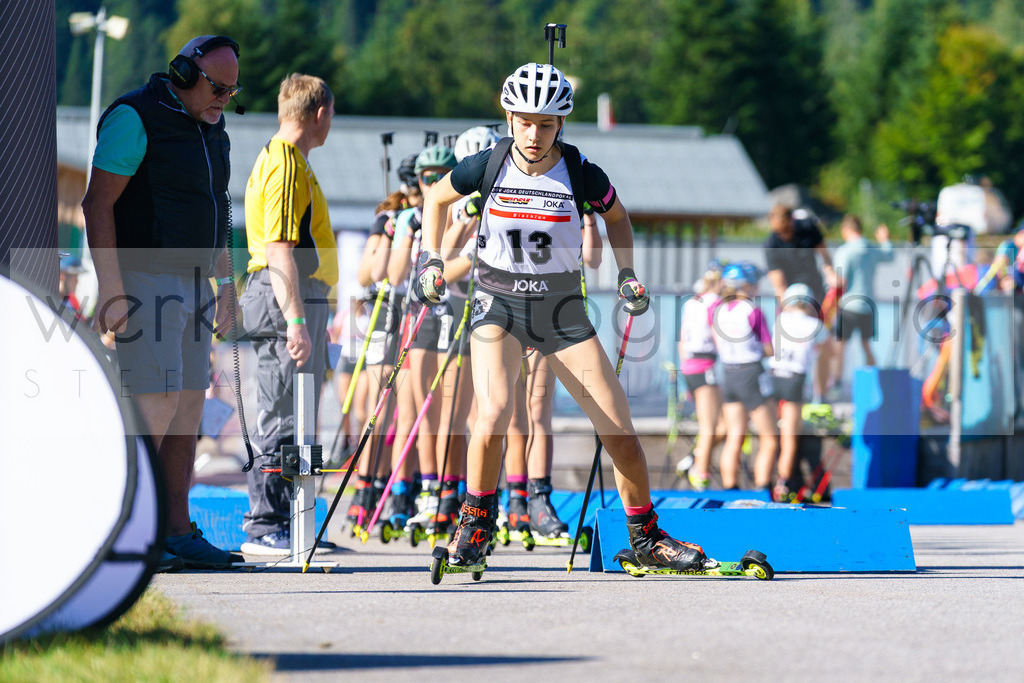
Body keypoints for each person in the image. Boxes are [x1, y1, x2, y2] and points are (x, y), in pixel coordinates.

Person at [413, 62, 712, 572]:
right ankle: (476, 522)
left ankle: (646, 537)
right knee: (494, 412)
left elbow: (618, 218)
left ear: (561, 125)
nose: (534, 134)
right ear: (508, 117)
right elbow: (436, 199)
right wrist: (433, 261)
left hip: (559, 307)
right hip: (497, 302)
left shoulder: (579, 171)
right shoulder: (487, 164)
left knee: (621, 432)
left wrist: (626, 274)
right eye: (525, 121)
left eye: (546, 124)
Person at [82, 35, 243, 572]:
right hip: (144, 277)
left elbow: (218, 212)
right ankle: (122, 532)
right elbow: (97, 202)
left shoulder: (214, 128)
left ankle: (175, 530)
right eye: (217, 88)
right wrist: (111, 290)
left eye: (232, 91)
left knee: (188, 412)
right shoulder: (135, 116)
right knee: (154, 408)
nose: (224, 99)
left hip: (197, 283)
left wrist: (225, 288)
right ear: (182, 73)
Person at [237, 73, 337, 555]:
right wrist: (295, 318)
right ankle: (265, 523)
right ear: (319, 114)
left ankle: (295, 522)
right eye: (331, 116)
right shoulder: (284, 163)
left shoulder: (291, 160)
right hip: (282, 296)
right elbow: (279, 248)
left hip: (296, 294)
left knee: (299, 415)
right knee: (279, 413)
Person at [709, 262, 778, 490]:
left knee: (734, 436)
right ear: (747, 286)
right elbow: (769, 350)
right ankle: (762, 487)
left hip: (728, 373)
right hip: (751, 372)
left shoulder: (718, 310)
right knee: (769, 438)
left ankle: (730, 488)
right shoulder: (753, 310)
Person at [764, 204, 837, 401]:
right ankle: (785, 396)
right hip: (790, 300)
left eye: (786, 229)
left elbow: (825, 256)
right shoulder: (772, 243)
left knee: (823, 346)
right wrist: (793, 312)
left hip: (816, 295)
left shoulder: (808, 228)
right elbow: (778, 283)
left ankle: (821, 395)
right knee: (788, 345)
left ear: (792, 221)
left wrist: (831, 273)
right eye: (779, 231)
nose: (783, 234)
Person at [769, 283, 827, 501]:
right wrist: (820, 393)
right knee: (789, 437)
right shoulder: (816, 325)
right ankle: (783, 483)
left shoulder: (780, 320)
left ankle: (764, 482)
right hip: (795, 379)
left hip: (773, 376)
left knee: (770, 436)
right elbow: (825, 358)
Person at [678, 265, 724, 491]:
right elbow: (720, 336)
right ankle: (700, 475)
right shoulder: (715, 302)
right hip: (705, 364)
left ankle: (692, 461)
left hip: (689, 365)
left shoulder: (691, 302)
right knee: (710, 427)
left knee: (725, 426)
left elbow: (681, 341)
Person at [832, 215, 894, 384]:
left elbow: (840, 281)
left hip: (849, 306)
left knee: (840, 345)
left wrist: (828, 275)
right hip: (868, 305)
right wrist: (885, 239)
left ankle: (836, 381)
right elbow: (889, 255)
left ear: (846, 230)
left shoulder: (845, 251)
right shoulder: (872, 249)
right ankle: (873, 380)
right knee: (866, 345)